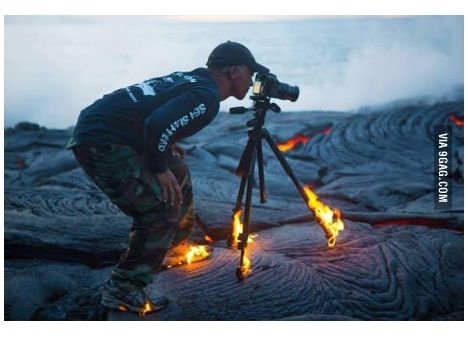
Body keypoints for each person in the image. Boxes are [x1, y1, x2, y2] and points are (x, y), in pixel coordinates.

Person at [67, 41, 269, 313]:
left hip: (109, 129)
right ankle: (123, 288)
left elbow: (155, 113)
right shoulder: (207, 96)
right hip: (101, 141)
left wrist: (164, 149)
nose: (252, 79)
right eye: (250, 72)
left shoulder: (194, 79)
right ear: (233, 72)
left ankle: (171, 246)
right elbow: (157, 123)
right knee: (160, 209)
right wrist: (158, 168)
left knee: (178, 168)